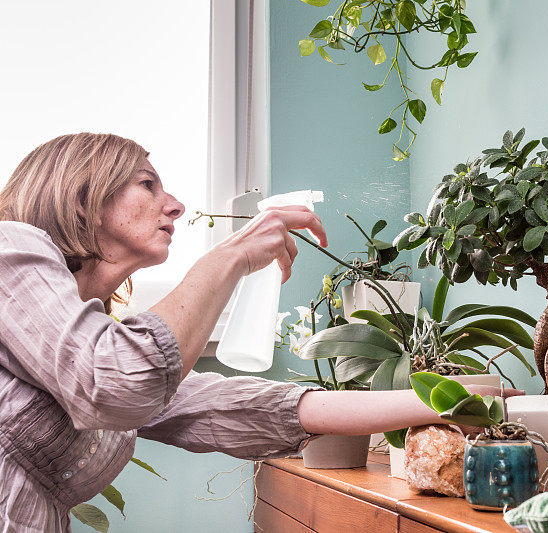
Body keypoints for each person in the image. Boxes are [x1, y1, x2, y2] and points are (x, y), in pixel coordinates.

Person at [0, 133, 516, 532]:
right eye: (147, 184)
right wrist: (230, 255)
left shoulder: (84, 340)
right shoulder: (9, 249)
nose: (174, 205)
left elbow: (248, 406)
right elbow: (115, 379)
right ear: (83, 195)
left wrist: (462, 399)